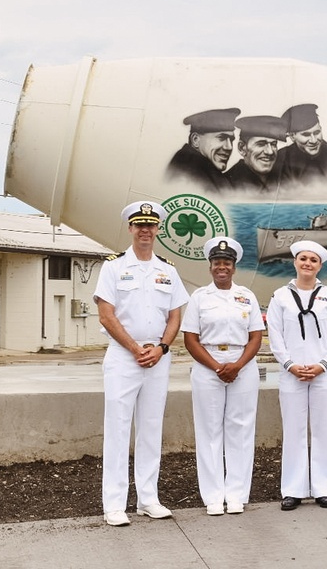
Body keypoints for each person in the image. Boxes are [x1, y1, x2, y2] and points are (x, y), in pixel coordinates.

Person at [93, 201, 189, 526]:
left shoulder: (168, 270)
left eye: (151, 225)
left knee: (151, 428)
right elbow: (106, 316)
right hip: (124, 358)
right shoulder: (113, 267)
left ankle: (148, 498)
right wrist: (135, 348)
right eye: (139, 225)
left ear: (158, 229)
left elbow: (175, 315)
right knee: (118, 429)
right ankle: (115, 505)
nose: (145, 230)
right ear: (131, 229)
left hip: (158, 359)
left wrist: (161, 348)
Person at [181, 236, 265, 515]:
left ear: (234, 267)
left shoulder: (247, 296)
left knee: (240, 430)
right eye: (217, 262)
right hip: (208, 364)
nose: (222, 267)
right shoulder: (199, 297)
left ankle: (237, 494)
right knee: (209, 431)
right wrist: (217, 366)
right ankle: (214, 496)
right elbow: (191, 338)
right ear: (210, 266)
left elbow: (256, 337)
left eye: (227, 262)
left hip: (242, 364)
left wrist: (237, 365)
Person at [267, 240, 327, 510]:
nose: (307, 264)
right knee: (294, 431)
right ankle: (293, 489)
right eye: (303, 258)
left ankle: (325, 488)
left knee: (324, 429)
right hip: (292, 372)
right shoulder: (280, 296)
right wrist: (289, 364)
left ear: (320, 265)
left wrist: (322, 364)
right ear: (295, 262)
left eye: (313, 260)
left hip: (323, 372)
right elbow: (275, 334)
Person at [274, 103, 327, 187]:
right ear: (292, 136)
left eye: (317, 132)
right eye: (306, 135)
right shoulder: (280, 160)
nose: (314, 140)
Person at [165, 108, 240, 193]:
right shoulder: (190, 175)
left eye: (231, 140)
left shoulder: (202, 170)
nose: (229, 147)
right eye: (221, 138)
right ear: (195, 140)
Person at [226, 115, 287, 195]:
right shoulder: (226, 184)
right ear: (242, 148)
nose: (270, 152)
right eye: (261, 144)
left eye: (273, 144)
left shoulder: (285, 179)